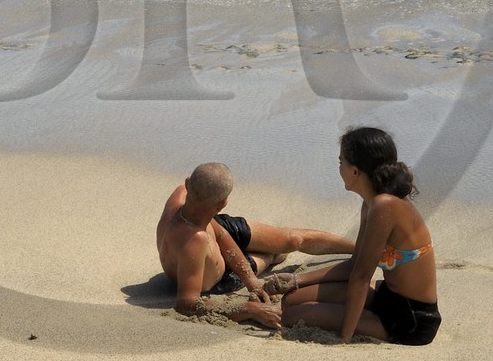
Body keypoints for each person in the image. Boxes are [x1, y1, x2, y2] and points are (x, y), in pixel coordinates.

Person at [281, 127, 440, 345]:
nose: (339, 168)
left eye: (341, 162)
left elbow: (361, 278)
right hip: (387, 298)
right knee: (290, 300)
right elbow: (354, 265)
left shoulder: (385, 205)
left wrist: (344, 336)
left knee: (290, 316)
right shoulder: (371, 204)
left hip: (411, 319)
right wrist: (296, 280)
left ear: (355, 171)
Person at [156, 161, 355, 327]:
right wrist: (252, 310)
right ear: (223, 203)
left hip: (213, 224)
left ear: (188, 183)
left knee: (292, 240)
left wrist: (252, 282)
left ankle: (359, 248)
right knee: (275, 255)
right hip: (218, 276)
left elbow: (221, 233)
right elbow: (187, 302)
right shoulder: (195, 240)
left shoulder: (181, 195)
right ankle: (272, 257)